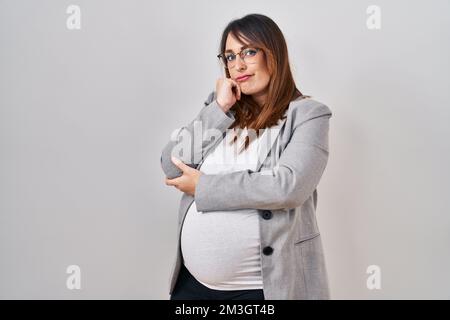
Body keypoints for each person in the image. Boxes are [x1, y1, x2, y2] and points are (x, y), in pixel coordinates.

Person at [161, 13, 332, 300]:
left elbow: (288, 187)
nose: (237, 65)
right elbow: (171, 165)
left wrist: (203, 186)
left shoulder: (308, 114)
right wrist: (219, 107)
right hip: (192, 288)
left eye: (249, 52)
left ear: (274, 55)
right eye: (229, 56)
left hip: (263, 290)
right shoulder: (221, 111)